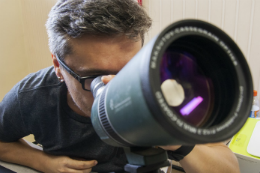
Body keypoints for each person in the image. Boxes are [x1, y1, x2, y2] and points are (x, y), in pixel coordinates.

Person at [0, 0, 240, 173]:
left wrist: (174, 137)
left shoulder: (165, 85)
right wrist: (42, 162)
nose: (115, 87)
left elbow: (228, 169)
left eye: (128, 72)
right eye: (95, 79)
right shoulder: (33, 96)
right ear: (58, 67)